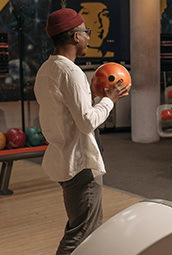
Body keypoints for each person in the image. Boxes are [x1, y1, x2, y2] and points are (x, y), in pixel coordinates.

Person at [34, 8, 130, 254]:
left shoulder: (46, 70)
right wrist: (109, 99)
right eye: (86, 32)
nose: (89, 37)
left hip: (64, 159)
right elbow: (86, 122)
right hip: (80, 164)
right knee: (83, 234)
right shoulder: (71, 71)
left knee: (80, 226)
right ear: (75, 37)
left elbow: (67, 113)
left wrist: (92, 97)